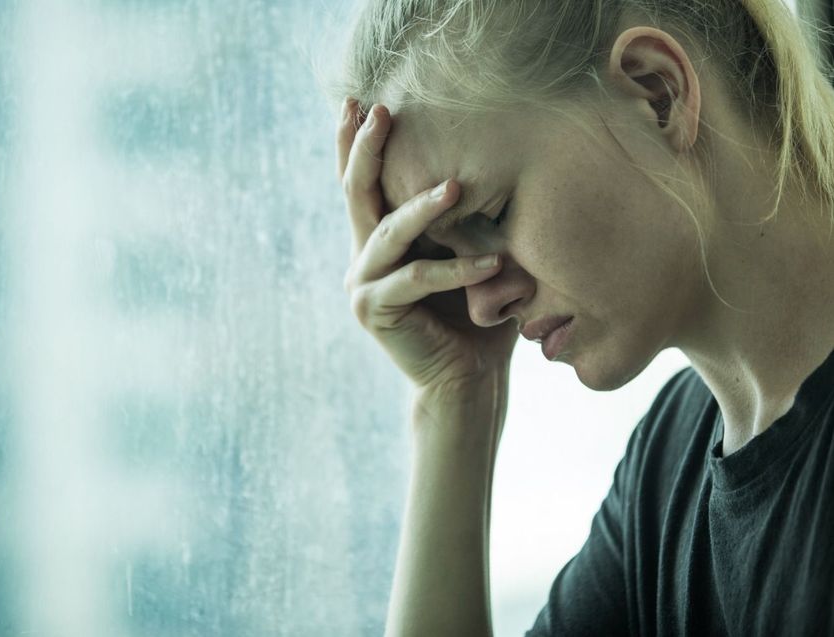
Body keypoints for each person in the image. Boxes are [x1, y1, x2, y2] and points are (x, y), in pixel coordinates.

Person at [330, 0, 834, 634]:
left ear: (658, 93)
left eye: (493, 214)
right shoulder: (664, 466)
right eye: (445, 259)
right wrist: (456, 399)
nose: (483, 306)